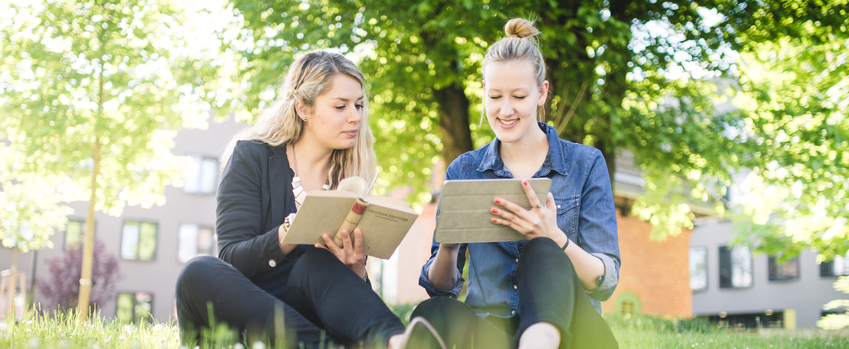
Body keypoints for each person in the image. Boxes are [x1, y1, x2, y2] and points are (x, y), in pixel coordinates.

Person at [175, 50, 444, 349]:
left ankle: (394, 341)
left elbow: (346, 302)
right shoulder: (252, 156)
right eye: (341, 106)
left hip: (313, 317)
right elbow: (232, 259)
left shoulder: (351, 180)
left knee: (316, 262)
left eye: (358, 105)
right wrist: (291, 230)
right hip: (250, 317)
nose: (355, 116)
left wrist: (355, 269)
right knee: (198, 271)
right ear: (303, 108)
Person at [415, 19, 621, 349]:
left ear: (541, 93)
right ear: (483, 91)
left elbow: (605, 280)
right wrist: (450, 247)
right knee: (433, 310)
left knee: (544, 248)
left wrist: (555, 237)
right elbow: (441, 287)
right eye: (495, 96)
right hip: (493, 334)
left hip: (571, 333)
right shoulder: (464, 169)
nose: (505, 109)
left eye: (519, 96)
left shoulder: (586, 163)